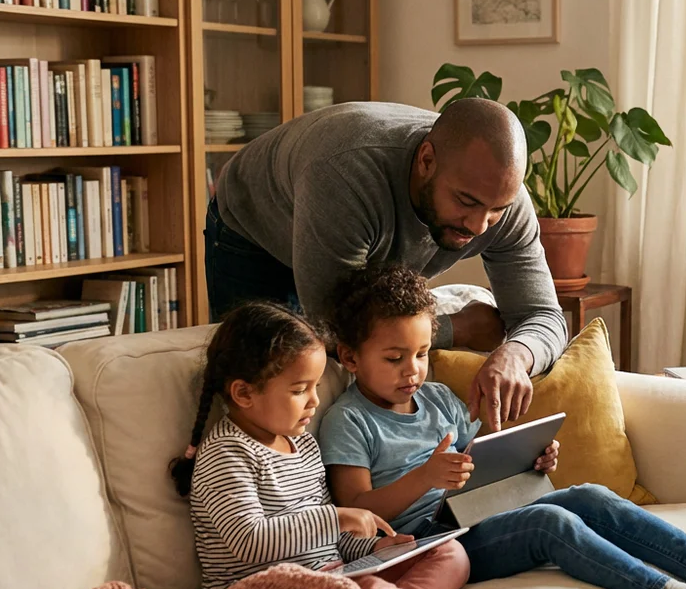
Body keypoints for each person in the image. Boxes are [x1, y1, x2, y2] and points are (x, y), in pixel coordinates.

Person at [317, 265, 686, 589]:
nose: (412, 371)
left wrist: (528, 462)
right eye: (394, 358)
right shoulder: (349, 420)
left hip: (475, 515)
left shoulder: (439, 399)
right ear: (351, 357)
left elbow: (476, 464)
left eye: (421, 354)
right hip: (429, 544)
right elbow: (355, 511)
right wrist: (424, 477)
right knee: (550, 523)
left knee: (589, 496)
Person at [168, 301, 548, 589]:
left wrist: (373, 548)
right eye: (300, 390)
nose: (315, 401)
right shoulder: (226, 454)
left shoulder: (303, 445)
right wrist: (337, 518)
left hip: (329, 575)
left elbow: (331, 543)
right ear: (243, 393)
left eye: (316, 387)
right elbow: (249, 541)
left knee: (448, 553)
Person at [205, 99, 566, 433]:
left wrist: (516, 354)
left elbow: (543, 315)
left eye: (496, 210)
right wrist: (459, 328)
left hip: (345, 227)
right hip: (254, 227)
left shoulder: (501, 198)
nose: (478, 226)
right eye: (465, 202)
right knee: (258, 390)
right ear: (426, 160)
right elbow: (337, 331)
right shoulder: (344, 174)